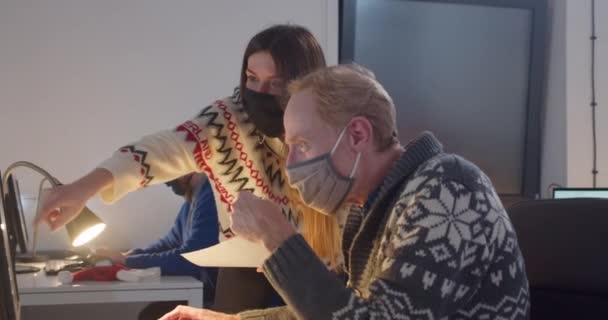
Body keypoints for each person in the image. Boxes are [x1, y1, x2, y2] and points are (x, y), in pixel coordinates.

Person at [160, 64, 530, 319]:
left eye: (301, 145)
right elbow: (347, 310)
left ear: (356, 135)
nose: (290, 167)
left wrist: (280, 239)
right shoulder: (372, 207)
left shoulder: (447, 189)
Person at [35, 24, 342, 313]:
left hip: (316, 265)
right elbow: (163, 148)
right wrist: (83, 188)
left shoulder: (331, 128)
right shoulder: (228, 119)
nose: (259, 92)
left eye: (275, 83)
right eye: (251, 78)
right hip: (245, 266)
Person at [95, 173, 219, 319]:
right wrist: (130, 255)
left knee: (152, 315)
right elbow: (170, 242)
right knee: (151, 313)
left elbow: (192, 257)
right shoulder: (191, 201)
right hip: (204, 292)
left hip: (215, 298)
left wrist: (127, 261)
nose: (166, 183)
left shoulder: (211, 195)